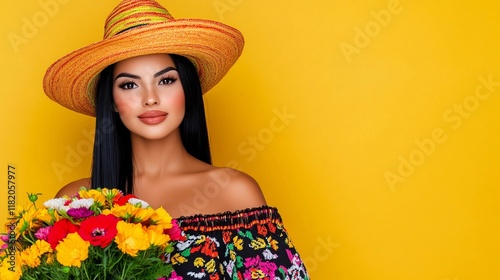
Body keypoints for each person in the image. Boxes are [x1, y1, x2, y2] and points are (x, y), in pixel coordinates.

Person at [44, 0, 310, 279]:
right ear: (111, 100)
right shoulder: (75, 205)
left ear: (188, 87)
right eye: (129, 84)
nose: (150, 98)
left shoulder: (234, 192)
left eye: (166, 80)